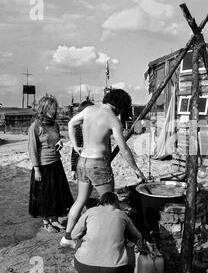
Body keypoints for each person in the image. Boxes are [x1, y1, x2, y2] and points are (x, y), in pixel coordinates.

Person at [61, 89, 146, 248]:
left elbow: (71, 123)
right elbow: (124, 149)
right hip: (98, 165)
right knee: (110, 205)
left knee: (80, 200)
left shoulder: (88, 109)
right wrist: (136, 170)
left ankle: (67, 238)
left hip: (82, 161)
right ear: (120, 107)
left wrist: (75, 145)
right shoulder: (113, 119)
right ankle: (108, 241)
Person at [71, 192, 142, 273]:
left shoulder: (90, 211)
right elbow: (138, 237)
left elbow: (74, 235)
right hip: (114, 270)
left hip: (82, 267)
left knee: (82, 236)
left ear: (100, 202)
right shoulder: (122, 215)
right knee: (126, 239)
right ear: (117, 203)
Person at [28, 95, 74, 232]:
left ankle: (54, 220)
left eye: (55, 108)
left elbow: (57, 139)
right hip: (43, 165)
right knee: (44, 195)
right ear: (44, 108)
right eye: (51, 108)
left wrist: (60, 142)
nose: (54, 110)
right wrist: (36, 169)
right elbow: (32, 148)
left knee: (55, 193)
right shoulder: (35, 126)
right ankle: (46, 222)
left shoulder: (54, 124)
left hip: (56, 162)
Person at [70, 100, 94, 180]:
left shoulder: (99, 126)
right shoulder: (78, 128)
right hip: (83, 163)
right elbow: (75, 149)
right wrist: (73, 169)